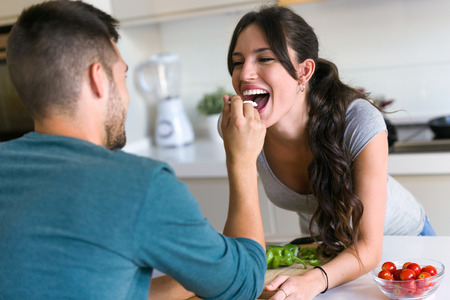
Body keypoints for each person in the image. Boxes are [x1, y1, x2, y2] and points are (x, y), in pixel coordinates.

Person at [0, 1, 267, 299]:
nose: (126, 95)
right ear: (98, 79)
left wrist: (195, 270)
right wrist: (243, 161)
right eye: (123, 76)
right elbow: (245, 282)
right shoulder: (139, 186)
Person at [224, 4, 436, 299]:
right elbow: (241, 253)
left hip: (402, 251)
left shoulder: (358, 120)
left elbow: (369, 246)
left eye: (265, 58)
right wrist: (239, 159)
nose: (245, 73)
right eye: (237, 62)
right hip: (331, 255)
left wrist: (312, 282)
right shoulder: (248, 134)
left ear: (304, 71)